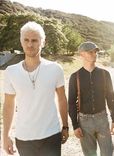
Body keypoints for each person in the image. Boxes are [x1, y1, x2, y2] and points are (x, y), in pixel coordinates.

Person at [3, 21, 69, 156]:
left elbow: (62, 99)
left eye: (34, 40)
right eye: (26, 40)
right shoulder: (10, 72)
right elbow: (9, 105)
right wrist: (5, 136)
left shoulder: (55, 69)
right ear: (21, 41)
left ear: (42, 42)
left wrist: (65, 126)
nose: (30, 44)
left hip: (51, 135)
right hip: (24, 137)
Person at [68, 41, 114, 156]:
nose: (94, 54)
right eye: (90, 52)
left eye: (95, 52)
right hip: (84, 122)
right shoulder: (75, 77)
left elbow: (111, 98)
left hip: (102, 120)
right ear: (81, 54)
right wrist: (75, 126)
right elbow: (71, 103)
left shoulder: (105, 74)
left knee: (108, 152)